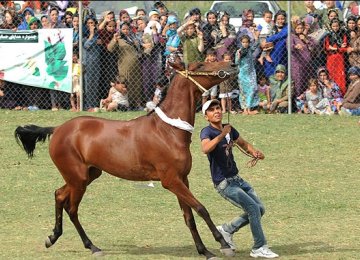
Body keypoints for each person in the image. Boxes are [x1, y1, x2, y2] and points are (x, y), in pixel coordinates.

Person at [200, 99, 279, 259]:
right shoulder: (206, 132)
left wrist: (255, 152)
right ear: (206, 116)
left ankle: (227, 230)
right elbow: (205, 148)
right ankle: (259, 247)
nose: (216, 111)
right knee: (253, 209)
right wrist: (222, 134)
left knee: (259, 209)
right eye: (211, 110)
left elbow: (243, 144)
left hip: (237, 179)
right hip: (224, 183)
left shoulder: (229, 129)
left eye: (217, 108)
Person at [235, 34, 260, 115]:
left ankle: (249, 108)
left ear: (249, 43)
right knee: (243, 91)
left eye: (247, 42)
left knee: (252, 89)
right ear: (241, 43)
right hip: (242, 75)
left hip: (251, 74)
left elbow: (256, 44)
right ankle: (245, 109)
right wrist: (238, 56)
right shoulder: (239, 51)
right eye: (243, 42)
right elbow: (236, 63)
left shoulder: (250, 50)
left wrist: (256, 37)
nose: (245, 44)